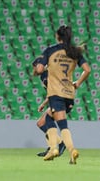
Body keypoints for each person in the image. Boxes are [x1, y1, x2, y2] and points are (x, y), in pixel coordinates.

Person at [34, 25, 91, 164]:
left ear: (57, 36)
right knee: (47, 119)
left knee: (62, 125)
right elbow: (87, 70)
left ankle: (66, 149)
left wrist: (38, 68)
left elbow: (40, 69)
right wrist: (77, 83)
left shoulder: (51, 50)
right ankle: (57, 148)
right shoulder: (74, 52)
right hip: (69, 95)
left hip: (57, 95)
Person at [32, 57, 66, 157]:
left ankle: (59, 144)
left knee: (44, 122)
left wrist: (43, 104)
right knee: (40, 123)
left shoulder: (45, 76)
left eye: (35, 67)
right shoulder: (46, 74)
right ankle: (53, 145)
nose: (34, 69)